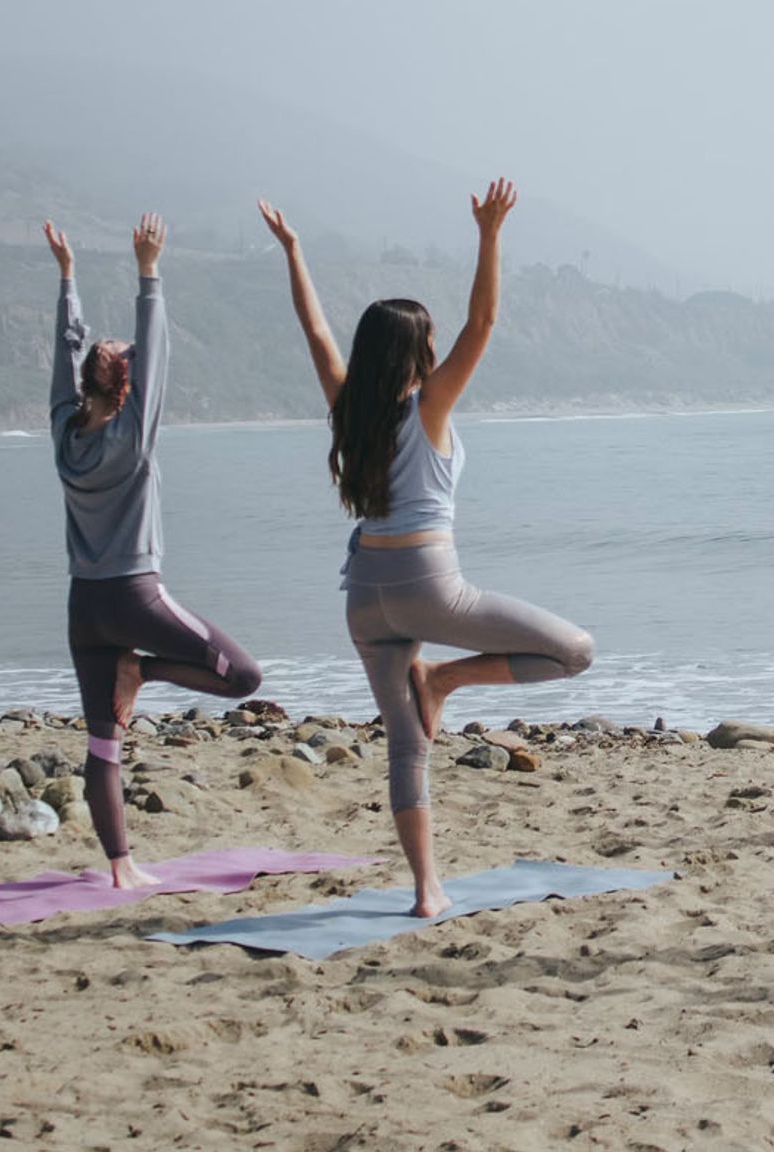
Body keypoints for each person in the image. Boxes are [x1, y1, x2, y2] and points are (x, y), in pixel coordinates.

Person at [258, 182, 593, 918]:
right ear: (419, 351)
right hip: (428, 586)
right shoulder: (429, 406)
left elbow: (315, 333)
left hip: (362, 599)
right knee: (574, 652)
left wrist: (294, 252)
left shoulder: (350, 408)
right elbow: (485, 321)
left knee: (405, 749)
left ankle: (426, 890)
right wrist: (490, 233)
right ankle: (443, 679)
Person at [45, 215, 262, 887]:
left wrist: (69, 279)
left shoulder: (62, 431)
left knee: (102, 743)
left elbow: (64, 351)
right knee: (243, 677)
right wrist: (149, 273)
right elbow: (156, 348)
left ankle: (121, 868)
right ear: (127, 389)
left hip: (85, 606)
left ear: (85, 385)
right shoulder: (135, 437)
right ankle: (146, 673)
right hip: (137, 598)